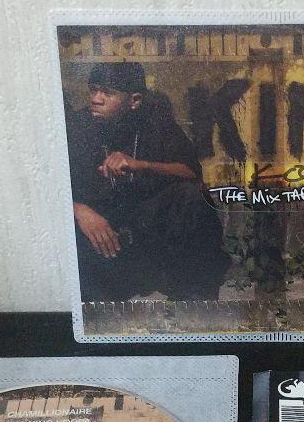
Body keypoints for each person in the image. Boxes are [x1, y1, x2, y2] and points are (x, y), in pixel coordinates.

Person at [65, 62, 229, 301]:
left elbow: (191, 173)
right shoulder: (75, 126)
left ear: (134, 101)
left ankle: (194, 306)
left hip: (146, 238)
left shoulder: (154, 122)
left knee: (191, 197)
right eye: (93, 90)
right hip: (98, 240)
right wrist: (79, 210)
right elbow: (44, 186)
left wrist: (141, 165)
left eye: (107, 92)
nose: (96, 99)